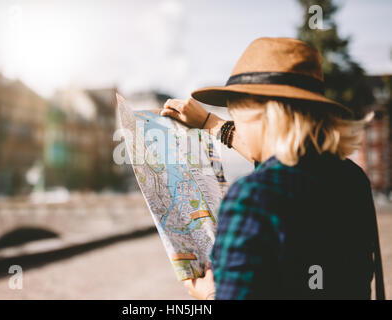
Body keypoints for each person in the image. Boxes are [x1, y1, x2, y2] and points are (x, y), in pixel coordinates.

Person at [161, 37, 385, 300]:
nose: (236, 122)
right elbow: (284, 159)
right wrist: (211, 123)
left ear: (260, 113)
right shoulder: (351, 178)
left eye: (237, 112)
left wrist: (209, 294)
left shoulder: (253, 196)